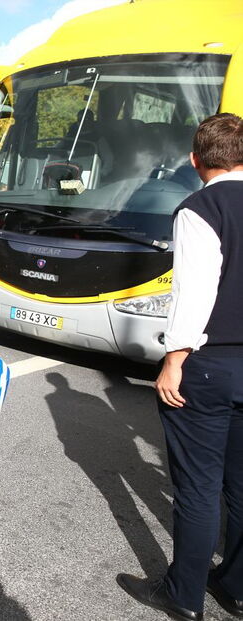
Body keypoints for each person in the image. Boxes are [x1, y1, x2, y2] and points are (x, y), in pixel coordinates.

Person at [118, 113, 243, 621]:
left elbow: (194, 293)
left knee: (197, 487)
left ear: (195, 161)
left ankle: (184, 595)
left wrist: (174, 359)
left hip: (211, 364)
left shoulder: (200, 208)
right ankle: (235, 586)